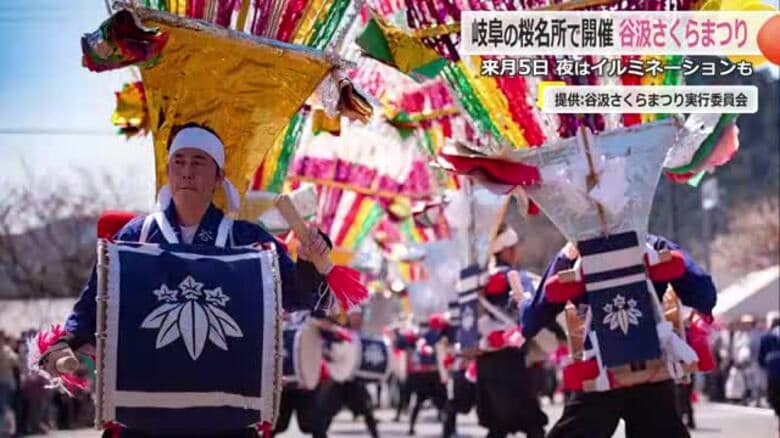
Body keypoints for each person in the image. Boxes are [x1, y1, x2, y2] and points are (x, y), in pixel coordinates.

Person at [41, 125, 332, 438]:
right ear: (168, 171)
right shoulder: (137, 236)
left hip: (224, 416)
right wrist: (66, 341)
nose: (187, 171)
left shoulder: (247, 238)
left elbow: (299, 297)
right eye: (178, 161)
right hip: (146, 414)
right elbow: (94, 302)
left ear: (219, 176)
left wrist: (310, 262)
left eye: (198, 162)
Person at [522, 234, 717, 438]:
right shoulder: (652, 244)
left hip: (599, 371)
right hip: (651, 369)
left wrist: (524, 302)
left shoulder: (572, 254)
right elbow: (704, 294)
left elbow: (532, 321)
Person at [475, 225, 548, 438]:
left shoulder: (477, 281)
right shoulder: (517, 277)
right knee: (532, 424)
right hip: (512, 359)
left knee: (497, 426)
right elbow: (530, 306)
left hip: (485, 360)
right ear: (506, 250)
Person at [759, 311, 780, 435]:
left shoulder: (766, 337)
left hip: (773, 372)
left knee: (775, 399)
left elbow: (761, 357)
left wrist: (765, 366)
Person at [0, 332, 19, 437]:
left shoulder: (7, 350)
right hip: (4, 382)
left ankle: (9, 430)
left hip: (6, 382)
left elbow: (16, 361)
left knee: (6, 406)